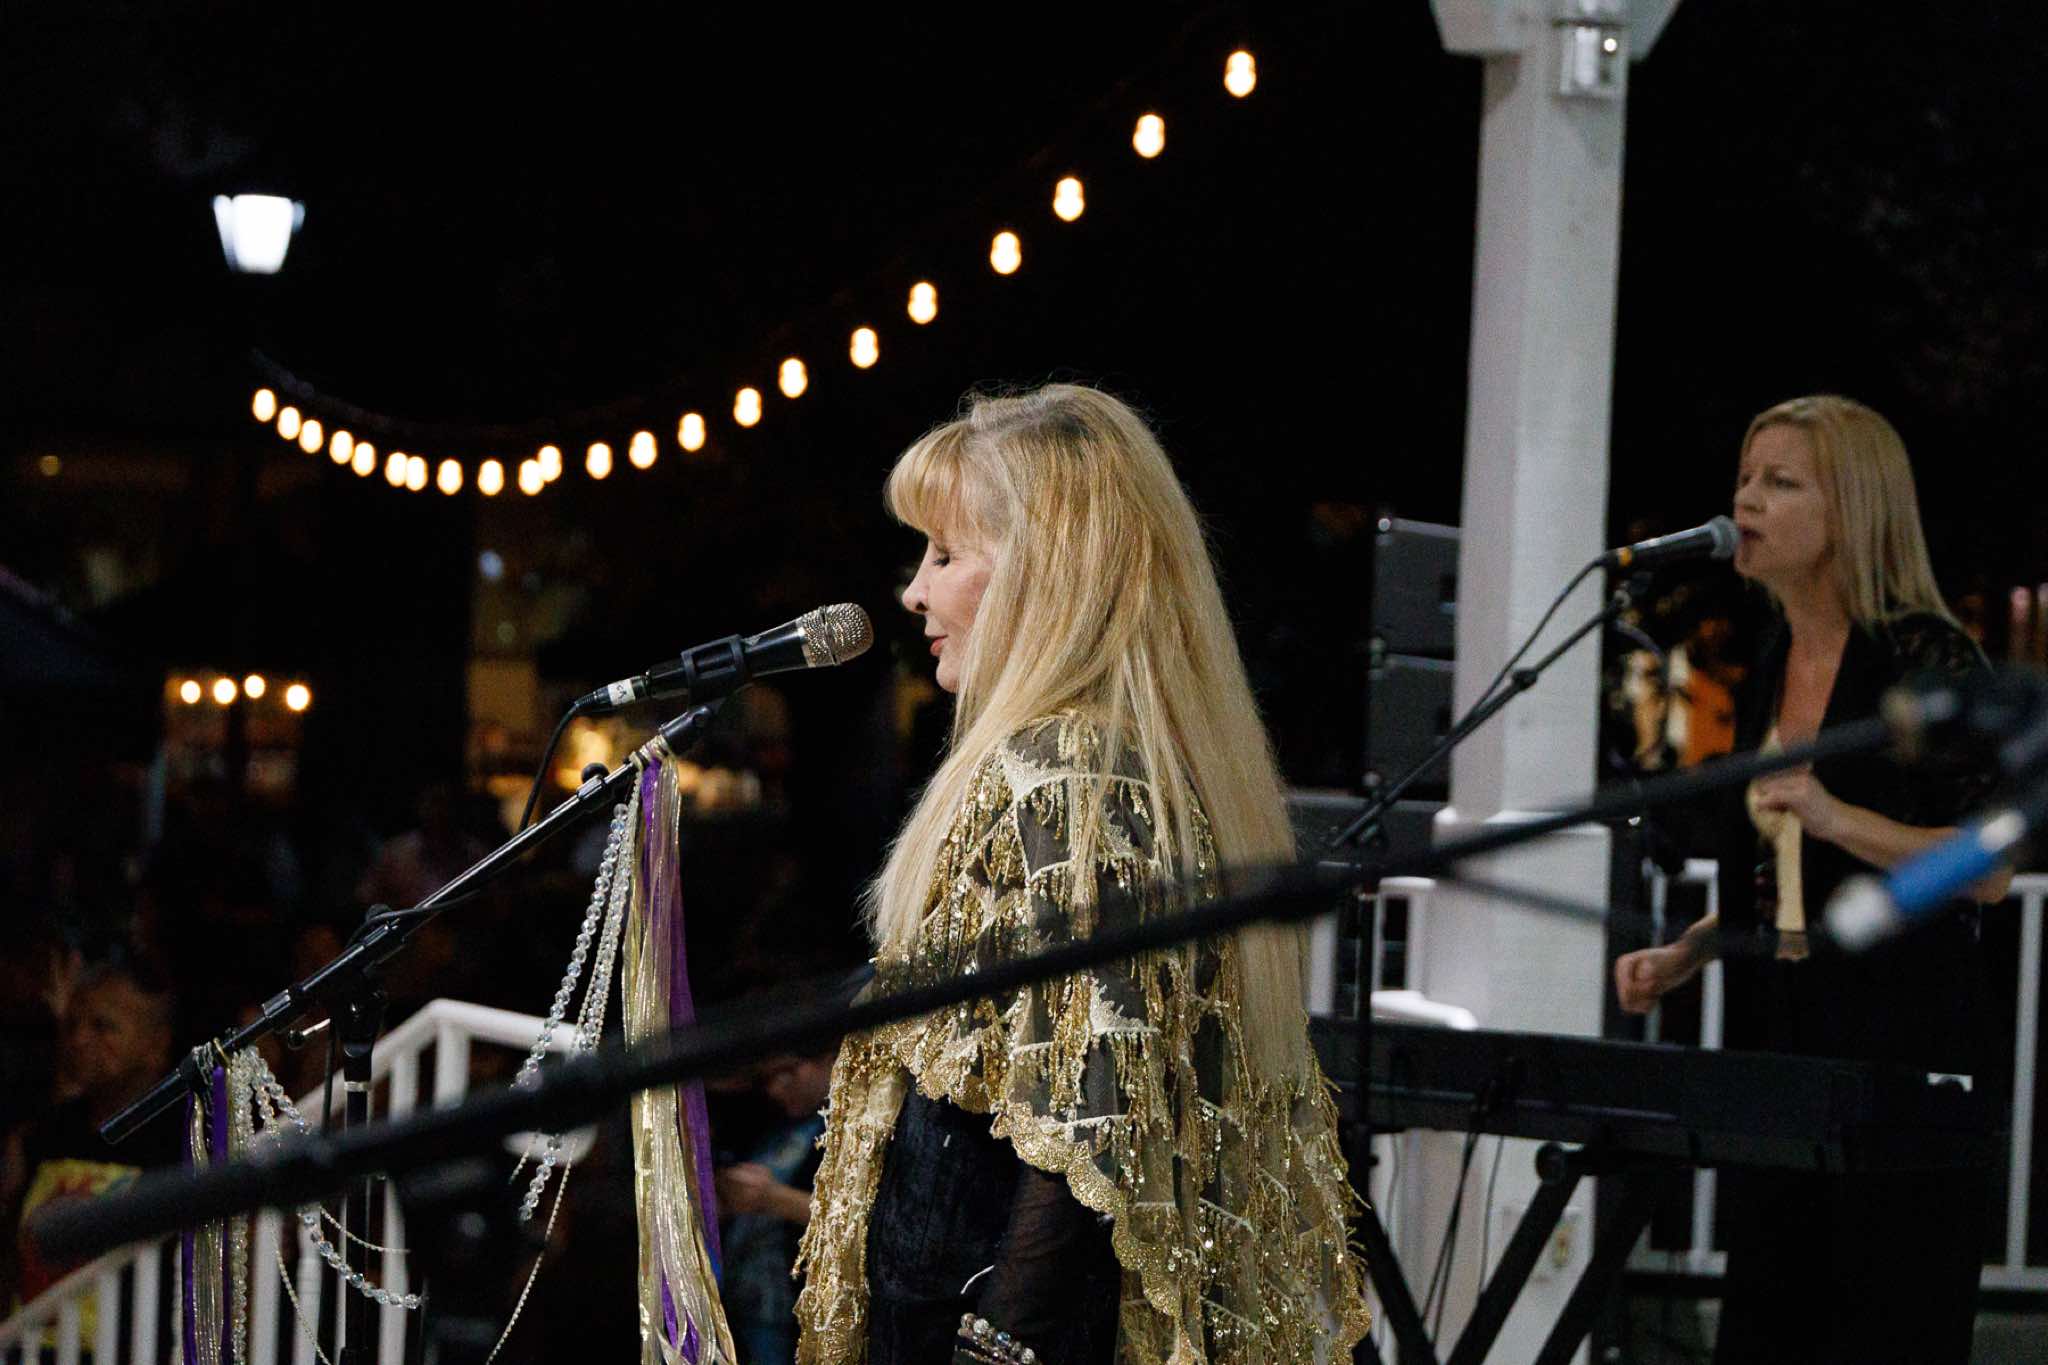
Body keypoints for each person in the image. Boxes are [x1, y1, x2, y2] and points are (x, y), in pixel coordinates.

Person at [794, 385, 1370, 1364]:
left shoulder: (1065, 772)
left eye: (945, 555)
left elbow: (1094, 1120)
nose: (914, 592)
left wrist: (998, 1344)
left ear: (1044, 571)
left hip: (977, 1311)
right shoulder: (1102, 763)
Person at [1612, 395, 2005, 1364]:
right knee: (1766, 1325)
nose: (1744, 501)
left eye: (1779, 483)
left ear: (1852, 511)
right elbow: (1788, 873)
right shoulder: (1774, 655)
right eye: (1744, 478)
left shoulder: (1925, 657)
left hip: (1900, 1053)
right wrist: (1690, 950)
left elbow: (1989, 869)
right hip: (1781, 1047)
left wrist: (1841, 818)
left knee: (1881, 1327)